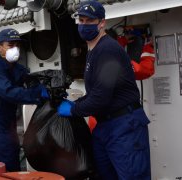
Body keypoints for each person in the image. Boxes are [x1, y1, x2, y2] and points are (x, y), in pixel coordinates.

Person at [58, 1, 151, 179]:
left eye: (89, 21)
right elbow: (96, 93)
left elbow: (101, 98)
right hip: (105, 126)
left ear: (102, 23)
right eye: (81, 20)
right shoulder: (94, 50)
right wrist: (75, 103)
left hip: (124, 127)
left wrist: (74, 109)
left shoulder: (107, 50)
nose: (84, 25)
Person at [0, 28, 49, 171]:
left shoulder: (16, 68)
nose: (15, 49)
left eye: (17, 45)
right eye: (10, 45)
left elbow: (29, 78)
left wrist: (46, 85)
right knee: (3, 171)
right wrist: (37, 94)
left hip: (9, 128)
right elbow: (10, 93)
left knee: (14, 168)